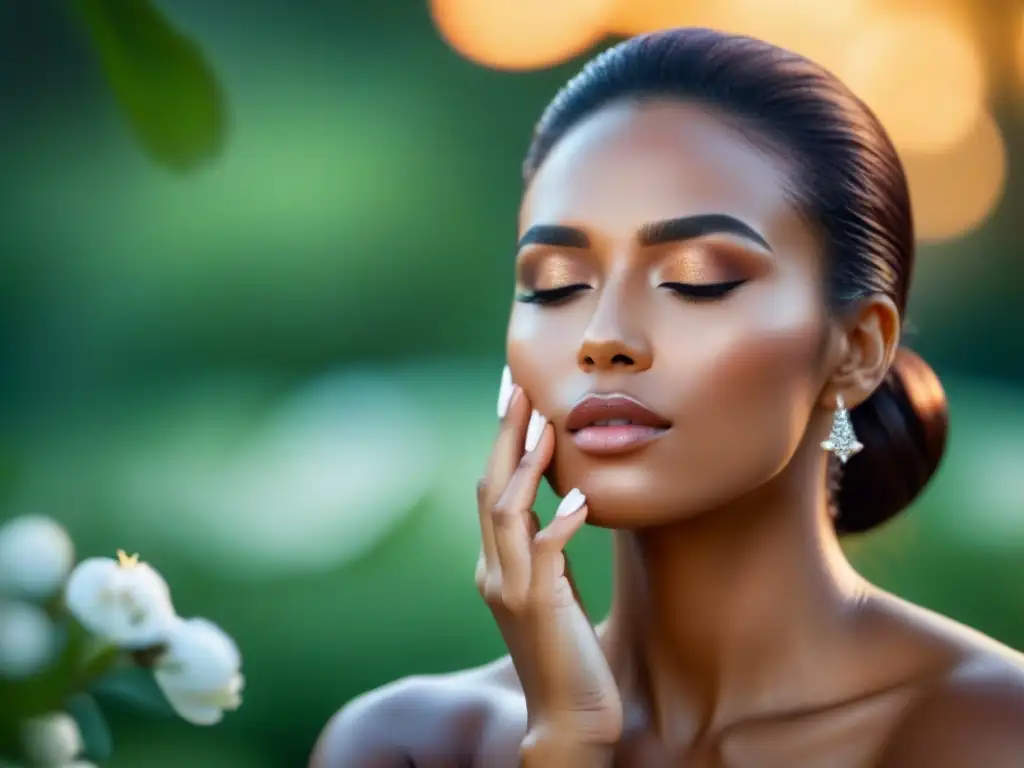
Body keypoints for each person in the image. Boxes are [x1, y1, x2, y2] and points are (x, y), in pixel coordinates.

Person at [310, 27, 1024, 766]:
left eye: (695, 279)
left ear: (857, 349)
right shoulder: (411, 745)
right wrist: (566, 738)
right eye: (556, 284)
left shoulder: (989, 731)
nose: (603, 335)